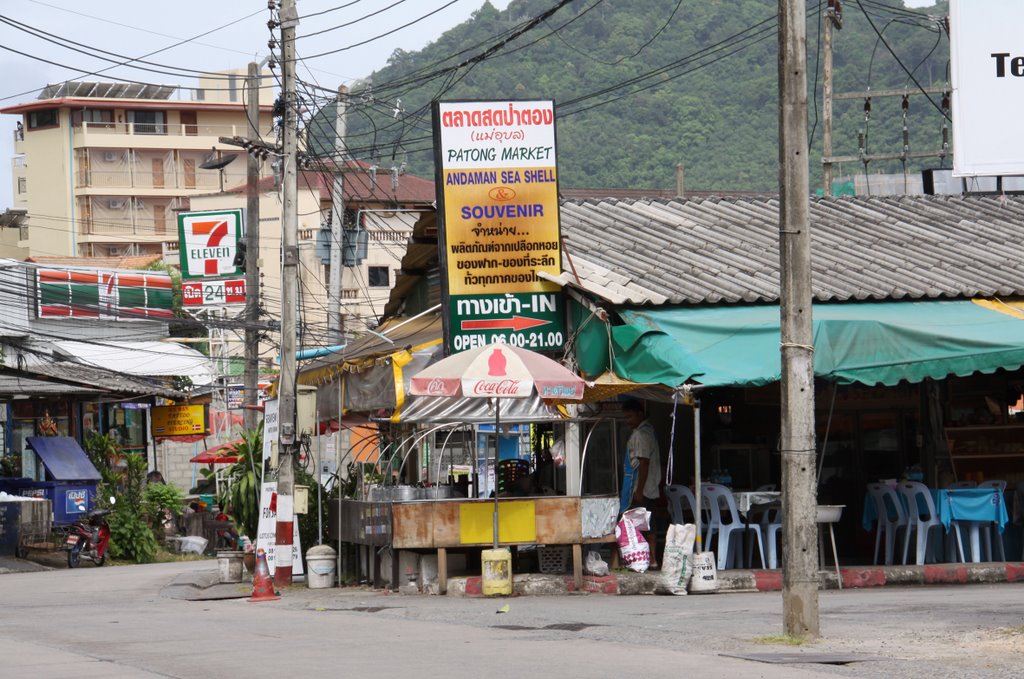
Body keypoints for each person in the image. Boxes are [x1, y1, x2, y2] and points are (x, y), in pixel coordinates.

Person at [621, 398, 663, 568]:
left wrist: (639, 490)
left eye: (630, 417)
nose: (628, 421)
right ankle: (646, 559)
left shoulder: (641, 434)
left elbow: (643, 464)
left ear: (640, 414)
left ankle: (652, 559)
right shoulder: (647, 431)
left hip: (643, 488)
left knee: (647, 525)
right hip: (645, 487)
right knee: (644, 523)